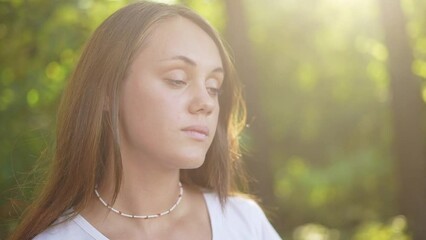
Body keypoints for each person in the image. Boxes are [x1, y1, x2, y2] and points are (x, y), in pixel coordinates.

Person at [9, 1, 282, 239]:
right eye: (177, 79)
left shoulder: (244, 222)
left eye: (213, 87)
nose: (206, 103)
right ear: (107, 90)